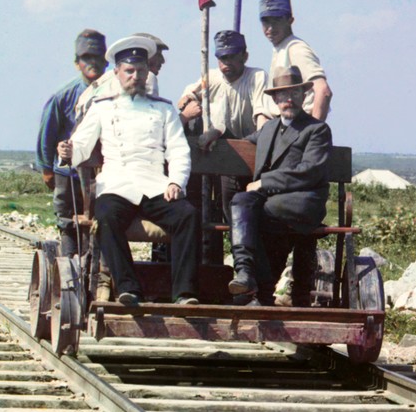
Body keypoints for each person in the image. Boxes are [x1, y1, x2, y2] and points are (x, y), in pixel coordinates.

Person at [69, 35, 198, 306]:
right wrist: (69, 151)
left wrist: (176, 181)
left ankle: (184, 293)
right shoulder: (103, 107)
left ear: (147, 72)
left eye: (140, 70)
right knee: (105, 217)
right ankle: (128, 288)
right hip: (117, 186)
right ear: (116, 72)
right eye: (129, 71)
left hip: (154, 185)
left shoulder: (163, 109)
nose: (135, 76)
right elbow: (81, 144)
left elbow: (178, 149)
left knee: (187, 215)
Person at [227, 66, 332, 306]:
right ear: (274, 99)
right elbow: (242, 144)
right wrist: (219, 132)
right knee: (242, 203)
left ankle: (258, 287)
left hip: (302, 201)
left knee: (252, 214)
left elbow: (309, 171)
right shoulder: (269, 128)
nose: (289, 99)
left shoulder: (316, 130)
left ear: (304, 95)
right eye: (283, 95)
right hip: (271, 202)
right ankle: (245, 274)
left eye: (295, 93)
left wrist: (264, 182)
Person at [176, 29, 272, 265]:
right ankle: (208, 264)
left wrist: (256, 151)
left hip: (243, 150)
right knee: (202, 206)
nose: (225, 64)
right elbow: (185, 98)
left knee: (232, 208)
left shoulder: (257, 77)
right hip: (210, 150)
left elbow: (264, 119)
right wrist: (190, 101)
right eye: (221, 58)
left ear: (244, 56)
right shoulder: (210, 77)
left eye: (231, 57)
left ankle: (244, 264)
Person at [35, 29, 108, 256]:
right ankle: (68, 271)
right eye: (87, 58)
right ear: (77, 63)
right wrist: (47, 169)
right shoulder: (63, 96)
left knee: (97, 226)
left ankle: (94, 275)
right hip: (68, 175)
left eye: (98, 57)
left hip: (102, 175)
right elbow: (47, 136)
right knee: (67, 223)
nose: (93, 63)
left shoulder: (115, 94)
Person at [257, 0, 331, 121]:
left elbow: (323, 91)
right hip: (283, 125)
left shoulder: (296, 48)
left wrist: (313, 133)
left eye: (276, 21)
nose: (270, 28)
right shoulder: (281, 48)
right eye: (266, 21)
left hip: (299, 125)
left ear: (290, 20)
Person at [75, 33, 169, 122]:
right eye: (158, 54)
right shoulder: (148, 78)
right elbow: (149, 116)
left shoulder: (106, 79)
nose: (163, 60)